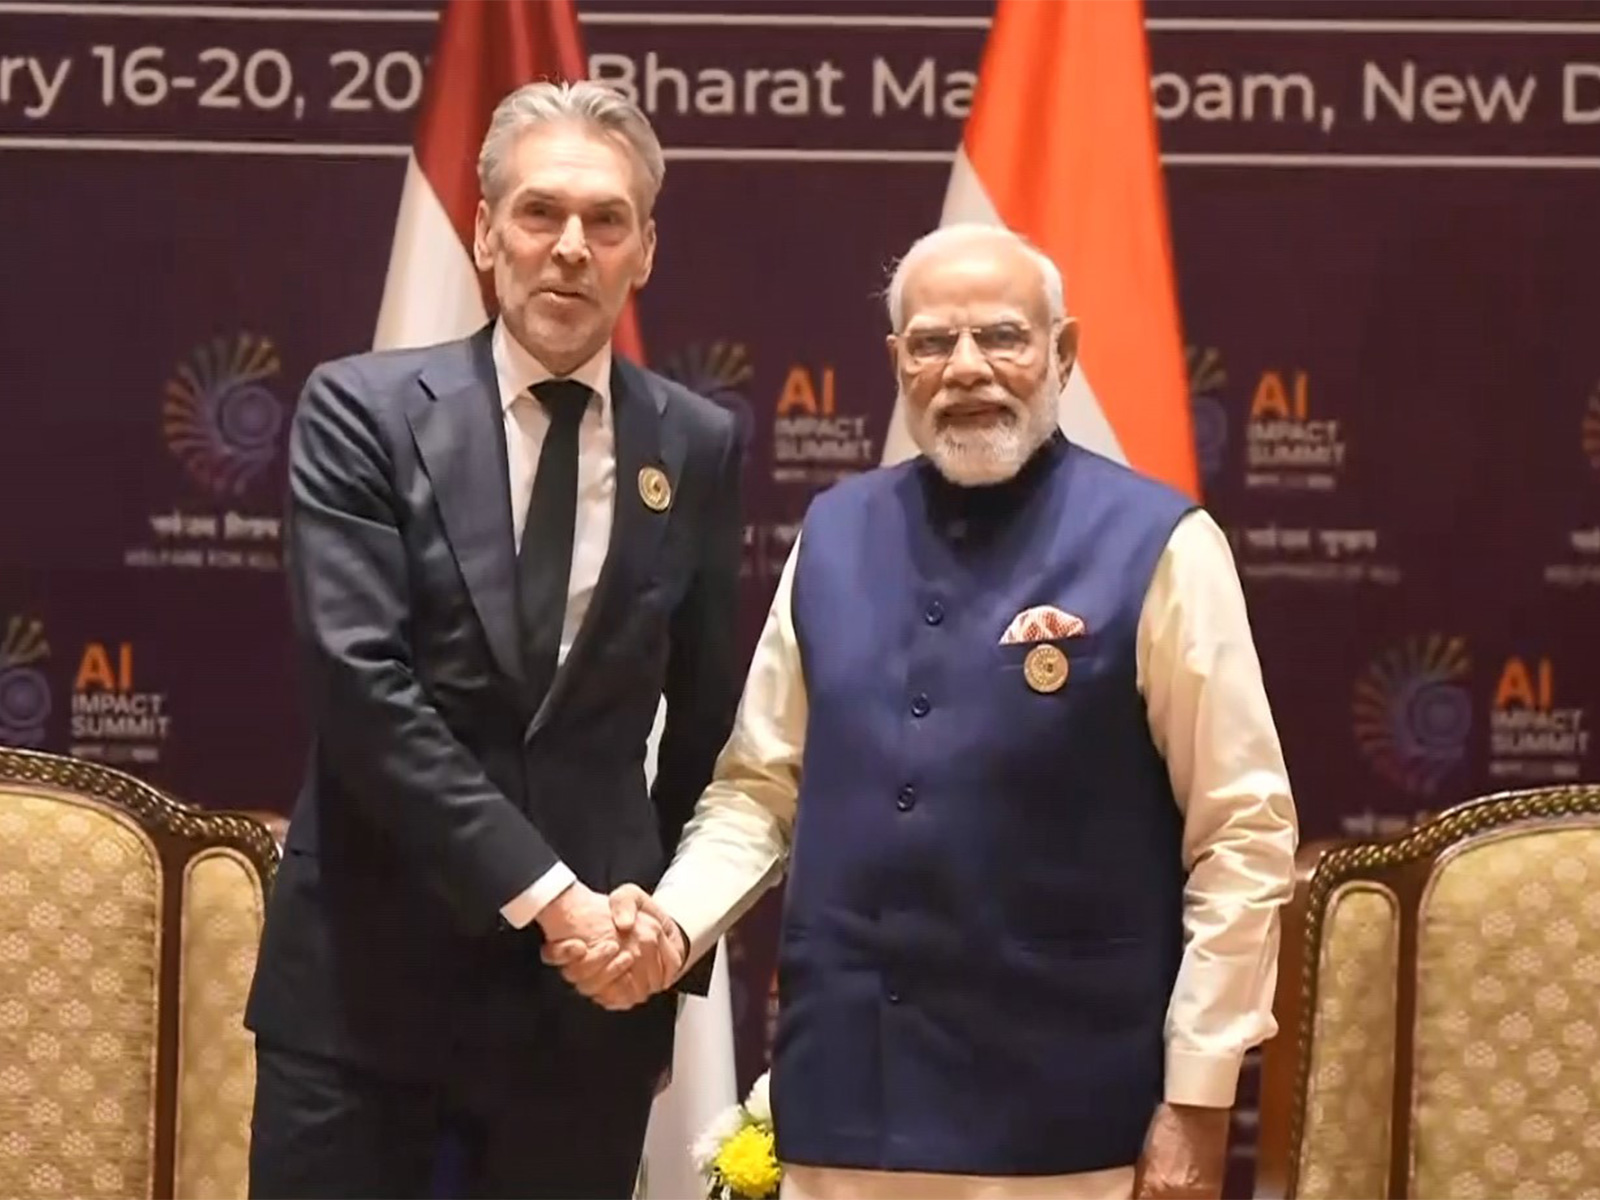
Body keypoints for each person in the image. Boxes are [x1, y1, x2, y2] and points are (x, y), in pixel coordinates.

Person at [549, 222, 1300, 1200]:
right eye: (934, 342)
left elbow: (1241, 831)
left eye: (1002, 338)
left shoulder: (1163, 543)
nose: (967, 368)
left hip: (1070, 1119)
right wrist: (671, 930)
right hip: (844, 1103)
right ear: (898, 363)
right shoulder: (833, 532)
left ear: (1063, 354)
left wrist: (1199, 1098)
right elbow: (757, 790)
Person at [243, 79, 743, 1199]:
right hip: (366, 998)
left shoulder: (698, 445)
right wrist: (557, 899)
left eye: (605, 221)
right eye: (539, 213)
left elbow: (710, 728)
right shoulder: (360, 412)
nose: (571, 247)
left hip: (585, 1013)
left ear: (644, 251)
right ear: (482, 232)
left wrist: (657, 942)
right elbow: (361, 690)